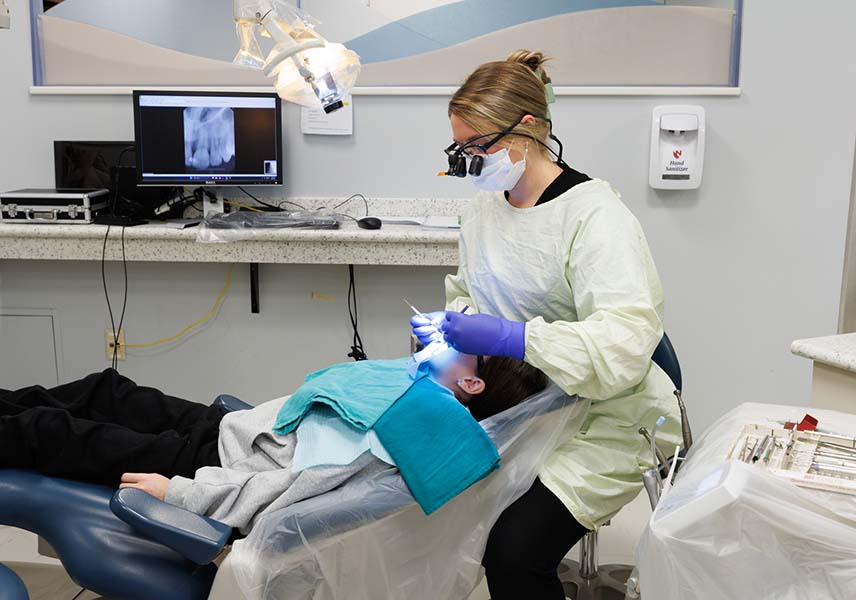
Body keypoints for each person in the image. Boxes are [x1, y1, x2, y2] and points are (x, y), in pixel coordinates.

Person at [411, 50, 683, 599]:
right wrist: (453, 328)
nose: (469, 161)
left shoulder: (594, 216)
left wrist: (514, 338)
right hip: (524, 407)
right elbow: (468, 291)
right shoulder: (486, 209)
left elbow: (626, 342)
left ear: (529, 128)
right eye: (459, 148)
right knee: (430, 502)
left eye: (478, 147)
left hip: (607, 416)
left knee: (512, 550)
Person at [0, 351, 546, 533]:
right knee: (106, 388)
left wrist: (185, 495)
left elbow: (293, 491)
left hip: (207, 467)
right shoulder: (419, 392)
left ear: (471, 384)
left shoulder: (408, 434)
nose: (443, 334)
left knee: (49, 432)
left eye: (460, 342)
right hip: (228, 431)